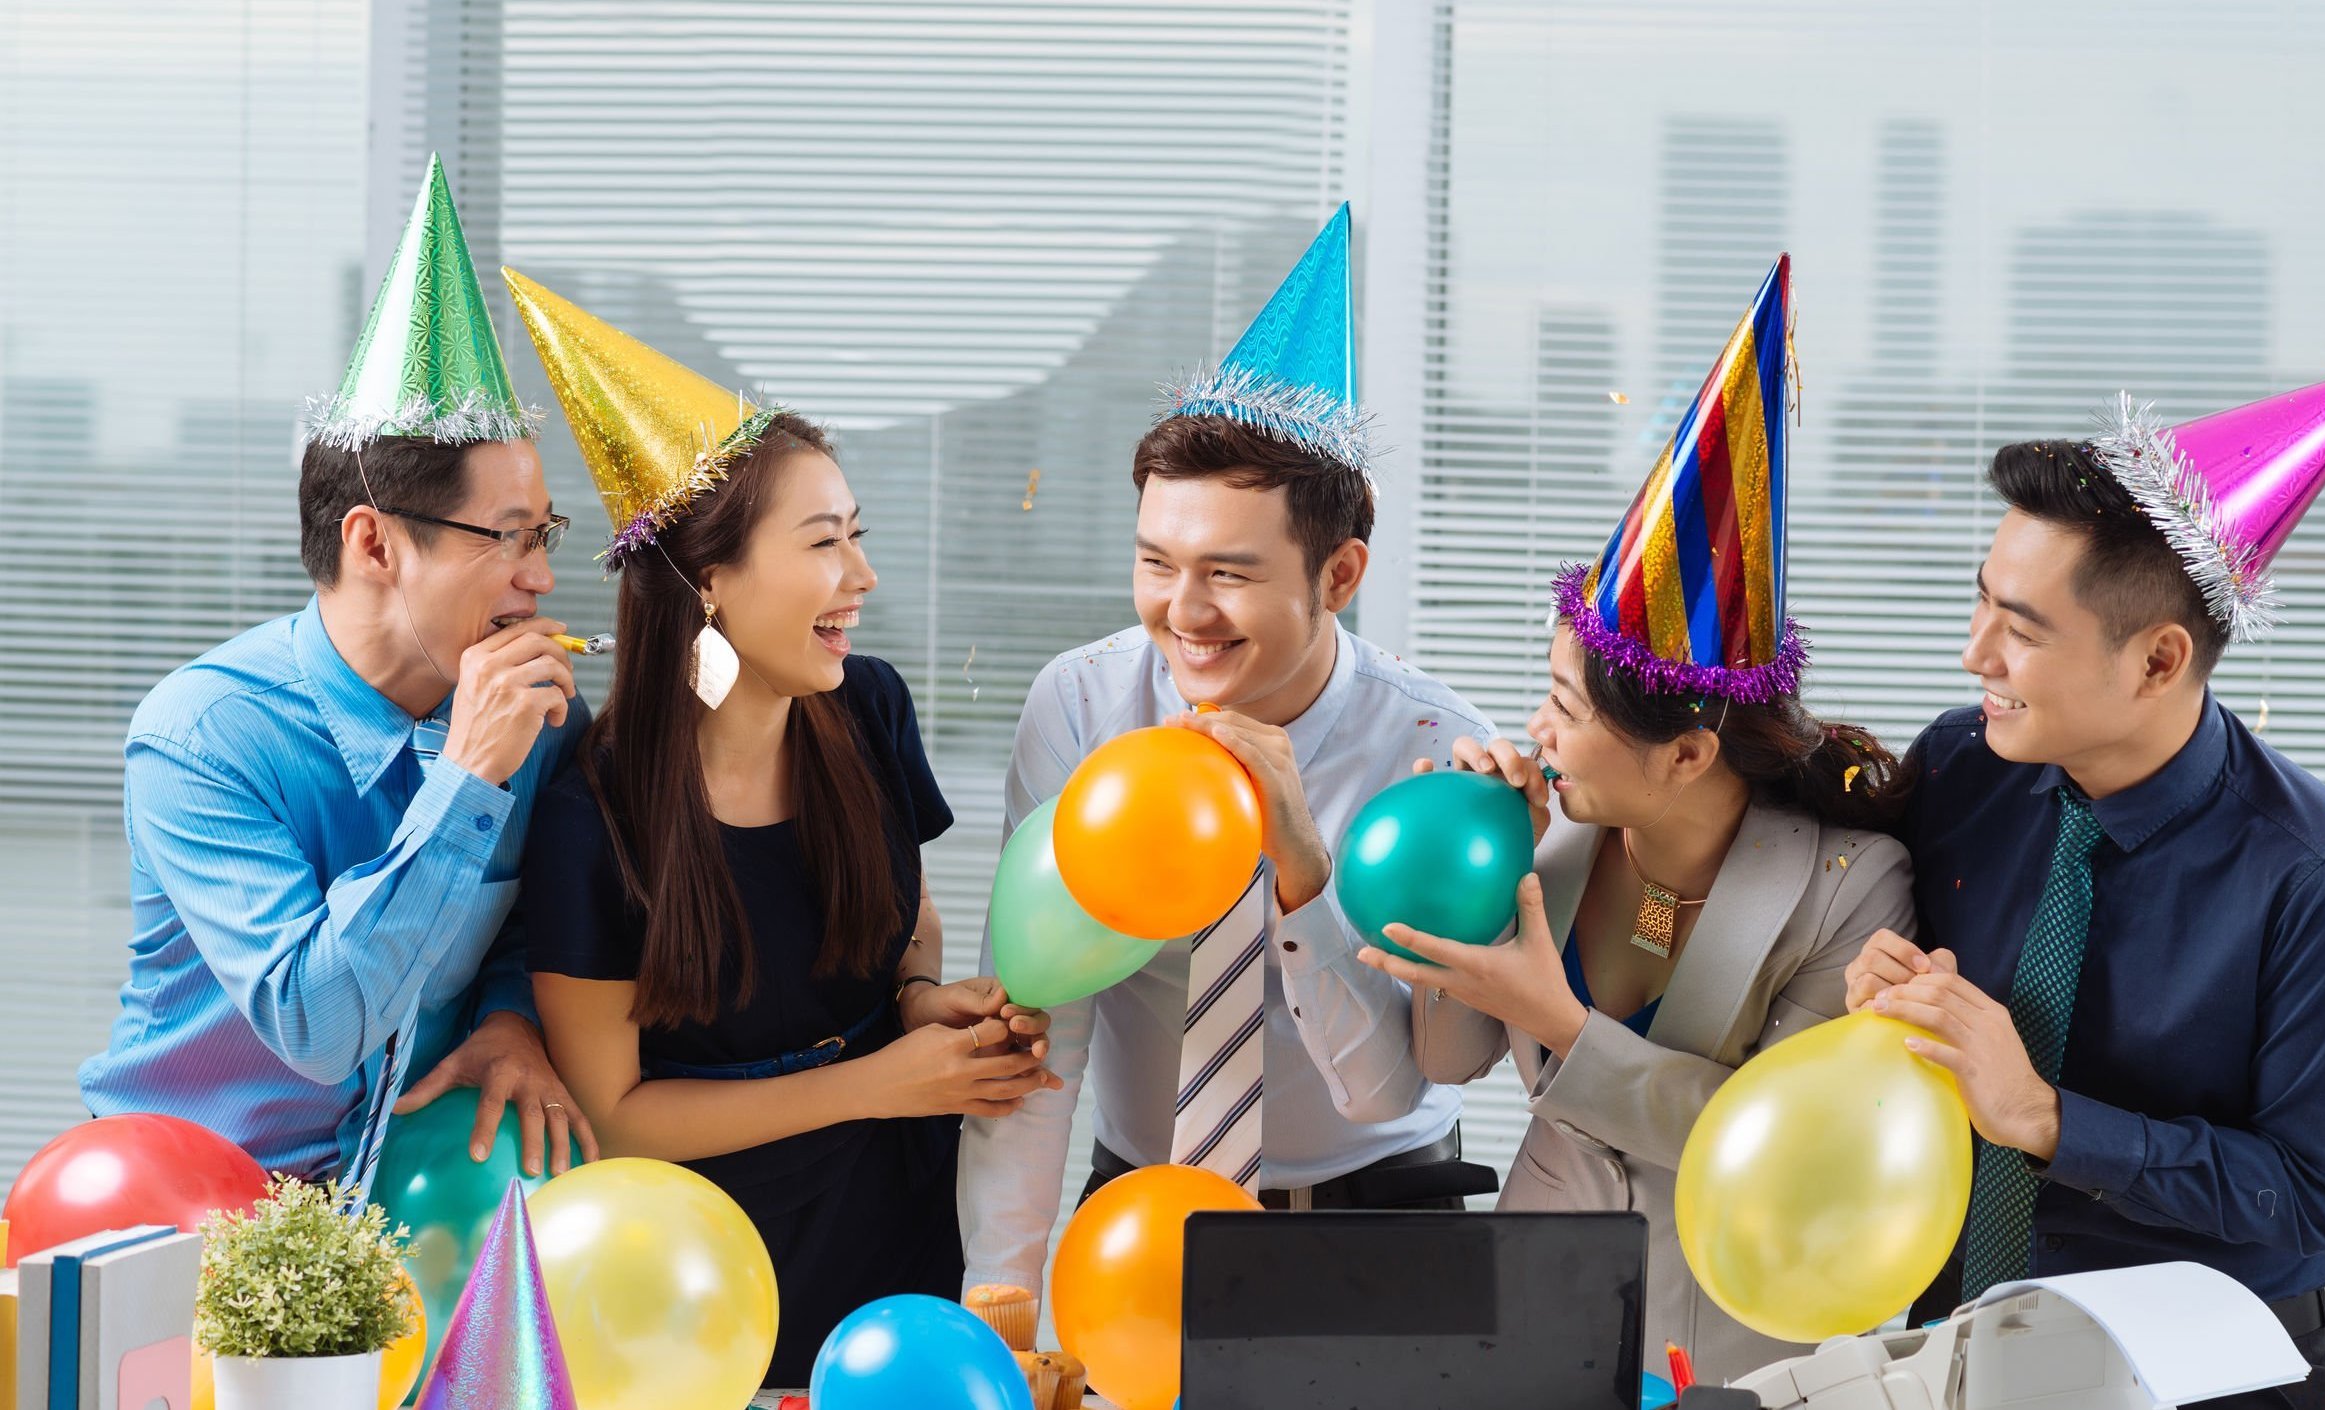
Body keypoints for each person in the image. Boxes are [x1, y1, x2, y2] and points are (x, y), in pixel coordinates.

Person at [1354, 255, 1916, 1382]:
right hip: (1533, 1307)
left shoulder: (1851, 881)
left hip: (1743, 1331)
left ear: (1689, 752)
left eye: (1563, 707)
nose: (1535, 729)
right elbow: (1452, 1059)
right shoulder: (1549, 834)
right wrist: (1464, 881)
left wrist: (1561, 1023)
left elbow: (1778, 1143)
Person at [501, 271, 1056, 1387]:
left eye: (856, 535)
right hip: (705, 1273)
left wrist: (917, 1004)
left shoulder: (869, 707)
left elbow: (910, 929)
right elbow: (614, 1119)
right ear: (708, 580)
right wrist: (877, 1081)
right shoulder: (589, 811)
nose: (861, 576)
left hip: (901, 1217)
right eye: (822, 545)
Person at [1843, 361, 2325, 1410]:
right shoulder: (1960, 770)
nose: (1973, 652)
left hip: (2196, 1382)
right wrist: (1884, 1009)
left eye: (2020, 631)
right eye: (1981, 602)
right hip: (1949, 1356)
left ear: (2157, 662)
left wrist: (2047, 1119)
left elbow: (2304, 1208)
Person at [956, 204, 1502, 1299]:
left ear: (1339, 576)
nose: (1184, 612)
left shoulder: (1437, 749)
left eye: (1230, 572)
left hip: (1380, 1217)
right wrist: (1000, 1298)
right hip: (1135, 1216)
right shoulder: (1080, 703)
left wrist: (1300, 863)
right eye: (1156, 562)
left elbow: (1390, 1090)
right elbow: (1037, 1031)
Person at [80, 157, 594, 1186]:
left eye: (546, 535)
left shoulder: (536, 724)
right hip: (186, 1208)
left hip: (411, 1211)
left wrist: (509, 1018)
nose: (540, 577)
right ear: (372, 544)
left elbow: (534, 916)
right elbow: (315, 1025)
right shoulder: (203, 737)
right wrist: (462, 780)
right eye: (506, 537)